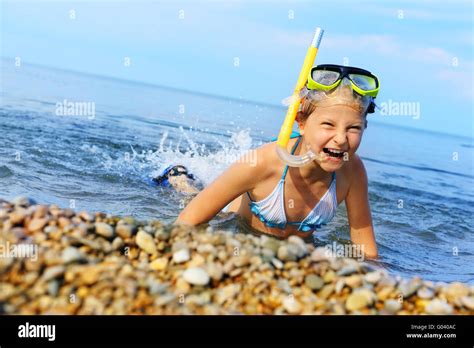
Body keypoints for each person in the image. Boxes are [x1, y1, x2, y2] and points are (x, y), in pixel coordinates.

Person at [176, 64, 380, 258]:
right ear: (300, 122)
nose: (341, 138)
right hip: (237, 226)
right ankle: (180, 178)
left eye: (353, 128)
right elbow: (187, 221)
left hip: (295, 250)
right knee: (193, 194)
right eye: (328, 125)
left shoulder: (353, 171)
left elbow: (367, 252)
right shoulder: (261, 163)